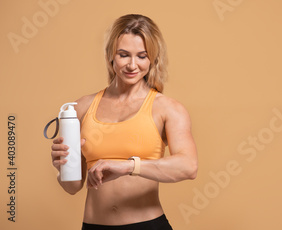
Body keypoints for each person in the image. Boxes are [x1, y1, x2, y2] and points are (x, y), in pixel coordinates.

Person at [50, 14, 197, 230]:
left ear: (152, 59)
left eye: (142, 56)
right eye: (124, 55)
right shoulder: (81, 107)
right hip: (93, 225)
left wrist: (128, 166)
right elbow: (72, 187)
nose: (132, 65)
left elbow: (188, 167)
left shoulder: (167, 109)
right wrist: (61, 165)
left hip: (147, 225)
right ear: (111, 55)